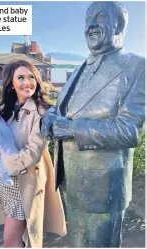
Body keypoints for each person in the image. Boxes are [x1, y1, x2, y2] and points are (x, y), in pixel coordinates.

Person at [41, 1, 145, 248]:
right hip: (70, 183)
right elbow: (61, 107)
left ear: (119, 24)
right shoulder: (79, 69)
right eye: (87, 19)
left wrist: (73, 129)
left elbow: (129, 130)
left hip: (103, 190)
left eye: (100, 17)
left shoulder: (137, 66)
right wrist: (49, 117)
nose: (91, 25)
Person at [0, 60, 67, 247]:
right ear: (11, 83)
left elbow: (32, 154)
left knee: (11, 240)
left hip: (23, 182)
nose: (27, 82)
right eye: (20, 77)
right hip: (2, 180)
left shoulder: (42, 112)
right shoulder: (2, 109)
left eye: (31, 77)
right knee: (17, 234)